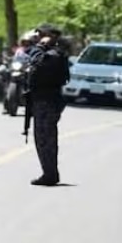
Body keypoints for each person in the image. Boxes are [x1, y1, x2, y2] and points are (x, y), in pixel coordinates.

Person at [23, 23, 71, 186]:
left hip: (48, 101)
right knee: (43, 138)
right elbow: (28, 55)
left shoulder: (53, 55)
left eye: (41, 35)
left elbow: (36, 61)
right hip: (43, 99)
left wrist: (40, 46)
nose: (38, 38)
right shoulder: (50, 53)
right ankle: (49, 172)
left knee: (45, 139)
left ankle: (50, 174)